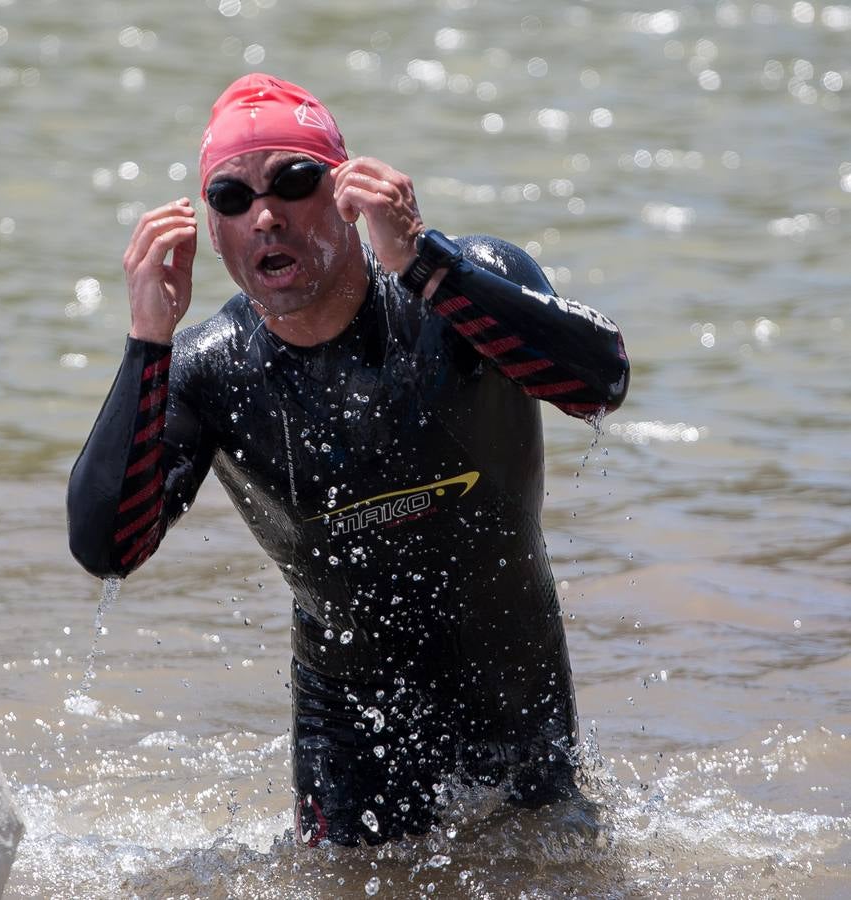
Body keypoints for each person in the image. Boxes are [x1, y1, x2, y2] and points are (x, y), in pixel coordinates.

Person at [67, 73, 629, 846]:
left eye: (294, 182)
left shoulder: (464, 287)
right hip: (348, 734)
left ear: (347, 192)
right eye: (231, 199)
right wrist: (147, 341)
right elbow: (106, 549)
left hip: (516, 697)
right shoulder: (207, 370)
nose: (264, 216)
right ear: (214, 230)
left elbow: (601, 383)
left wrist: (430, 265)